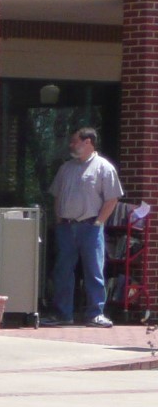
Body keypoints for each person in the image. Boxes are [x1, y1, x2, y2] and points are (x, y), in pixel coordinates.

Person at [45, 127, 124, 326]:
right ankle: (63, 315)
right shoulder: (66, 168)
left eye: (75, 141)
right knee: (62, 271)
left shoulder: (104, 167)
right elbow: (57, 195)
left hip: (90, 227)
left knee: (93, 271)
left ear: (88, 142)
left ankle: (95, 314)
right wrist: (59, 220)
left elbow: (112, 199)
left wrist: (98, 222)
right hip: (66, 227)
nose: (71, 145)